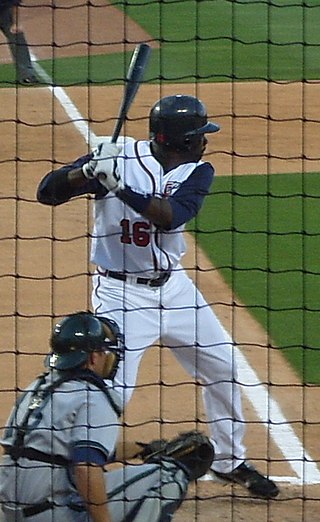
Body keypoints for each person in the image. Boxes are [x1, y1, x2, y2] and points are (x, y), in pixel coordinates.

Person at [36, 94, 280, 499]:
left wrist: (119, 186)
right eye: (199, 135)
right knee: (112, 389)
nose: (206, 141)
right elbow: (48, 192)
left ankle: (229, 461)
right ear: (180, 140)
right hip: (121, 294)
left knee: (223, 367)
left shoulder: (198, 172)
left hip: (175, 287)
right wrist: (85, 173)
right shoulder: (119, 157)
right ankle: (70, 467)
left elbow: (172, 217)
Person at [0, 311, 210, 521]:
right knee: (169, 476)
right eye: (104, 350)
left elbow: (63, 451)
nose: (108, 356)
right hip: (49, 515)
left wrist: (143, 449)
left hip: (9, 510)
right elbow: (86, 469)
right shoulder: (93, 397)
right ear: (93, 357)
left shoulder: (37, 388)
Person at [0, 0, 38, 84]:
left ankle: (26, 75)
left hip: (4, 12)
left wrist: (16, 23)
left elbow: (15, 4)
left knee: (17, 36)